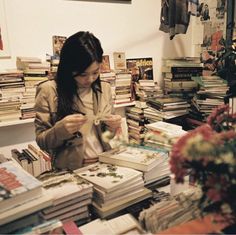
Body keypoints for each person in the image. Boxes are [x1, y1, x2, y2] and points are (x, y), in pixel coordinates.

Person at [34, 31, 122, 171]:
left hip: (105, 164)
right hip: (70, 171)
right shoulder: (48, 90)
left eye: (95, 72)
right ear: (69, 68)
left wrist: (113, 127)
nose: (90, 79)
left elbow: (107, 136)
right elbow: (42, 141)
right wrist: (60, 130)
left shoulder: (104, 88)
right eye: (82, 74)